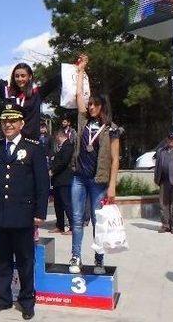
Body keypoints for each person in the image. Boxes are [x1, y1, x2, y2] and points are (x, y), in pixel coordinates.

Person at [0, 104, 48, 320]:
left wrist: (40, 213)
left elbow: (42, 183)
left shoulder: (34, 148)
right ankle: (2, 298)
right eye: (4, 121)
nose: (8, 125)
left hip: (23, 214)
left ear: (21, 124)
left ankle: (27, 300)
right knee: (0, 259)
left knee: (25, 260)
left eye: (13, 121)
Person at [68, 55, 122, 275]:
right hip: (79, 178)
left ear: (102, 106)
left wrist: (112, 186)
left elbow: (115, 159)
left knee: (98, 222)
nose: (90, 107)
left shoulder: (112, 129)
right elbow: (79, 94)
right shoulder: (83, 121)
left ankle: (99, 260)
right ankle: (76, 257)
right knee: (78, 219)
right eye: (89, 104)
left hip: (98, 182)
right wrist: (81, 71)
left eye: (94, 104)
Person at [0, 55, 61, 139]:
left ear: (30, 76)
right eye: (17, 76)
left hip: (31, 144)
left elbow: (54, 81)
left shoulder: (37, 93)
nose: (19, 79)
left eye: (23, 76)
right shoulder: (7, 92)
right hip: (11, 143)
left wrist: (74, 68)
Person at [50, 130, 74, 235]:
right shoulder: (61, 147)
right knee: (58, 204)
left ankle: (73, 227)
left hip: (64, 179)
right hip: (57, 180)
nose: (56, 141)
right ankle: (60, 226)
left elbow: (64, 162)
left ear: (60, 137)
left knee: (66, 203)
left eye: (57, 139)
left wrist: (53, 170)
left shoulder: (68, 146)